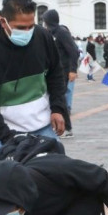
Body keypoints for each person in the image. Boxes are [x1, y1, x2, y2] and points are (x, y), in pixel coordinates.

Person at [0, 0, 67, 160]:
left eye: (31, 26)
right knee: (7, 182)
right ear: (4, 23)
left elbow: (56, 74)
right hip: (6, 132)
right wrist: (5, 136)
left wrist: (58, 109)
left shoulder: (42, 37)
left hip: (44, 126)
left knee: (54, 179)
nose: (27, 32)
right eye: (20, 27)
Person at [43, 9, 79, 139]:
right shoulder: (51, 33)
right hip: (54, 71)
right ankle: (58, 127)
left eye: (45, 21)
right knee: (57, 99)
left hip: (64, 71)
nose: (44, 24)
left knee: (61, 100)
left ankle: (67, 129)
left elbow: (74, 51)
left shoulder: (62, 32)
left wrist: (73, 70)